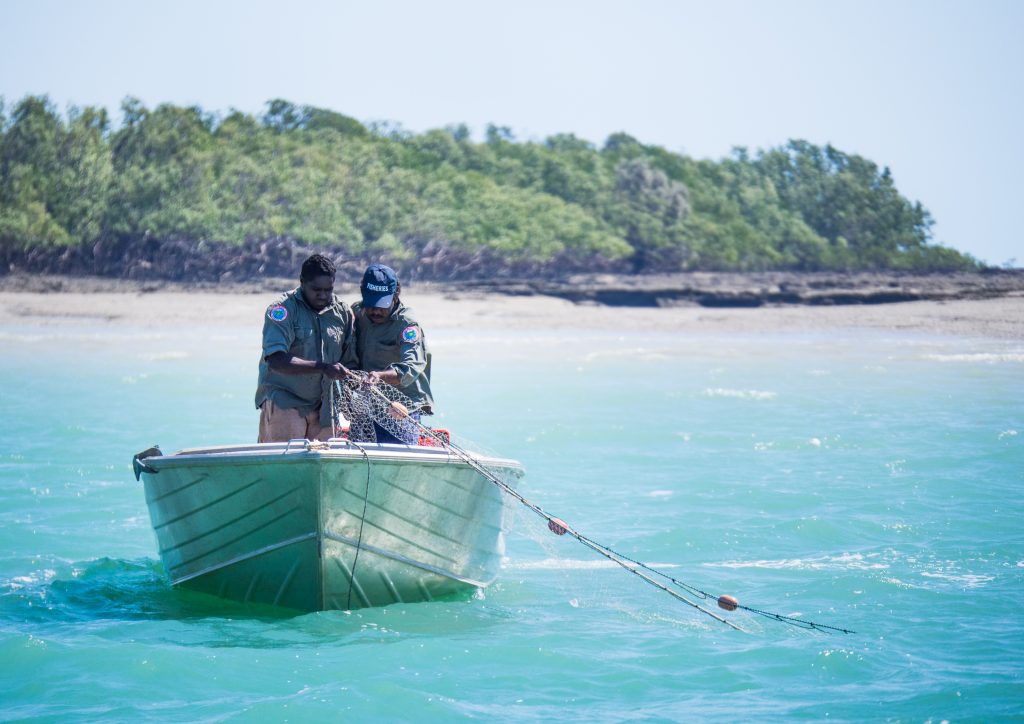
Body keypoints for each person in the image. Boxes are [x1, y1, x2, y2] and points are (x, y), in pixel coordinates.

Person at [255, 253, 357, 442]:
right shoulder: (282, 310)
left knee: (323, 468)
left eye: (328, 289)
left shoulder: (342, 312)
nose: (323, 295)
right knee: (283, 466)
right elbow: (276, 361)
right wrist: (323, 367)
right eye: (316, 289)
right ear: (302, 282)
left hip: (325, 409)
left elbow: (349, 360)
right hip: (286, 402)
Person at [352, 263, 433, 444]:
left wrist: (380, 376)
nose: (375, 311)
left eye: (382, 305)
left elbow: (411, 367)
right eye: (371, 304)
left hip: (400, 408)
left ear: (396, 294)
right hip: (367, 403)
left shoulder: (407, 325)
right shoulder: (357, 313)